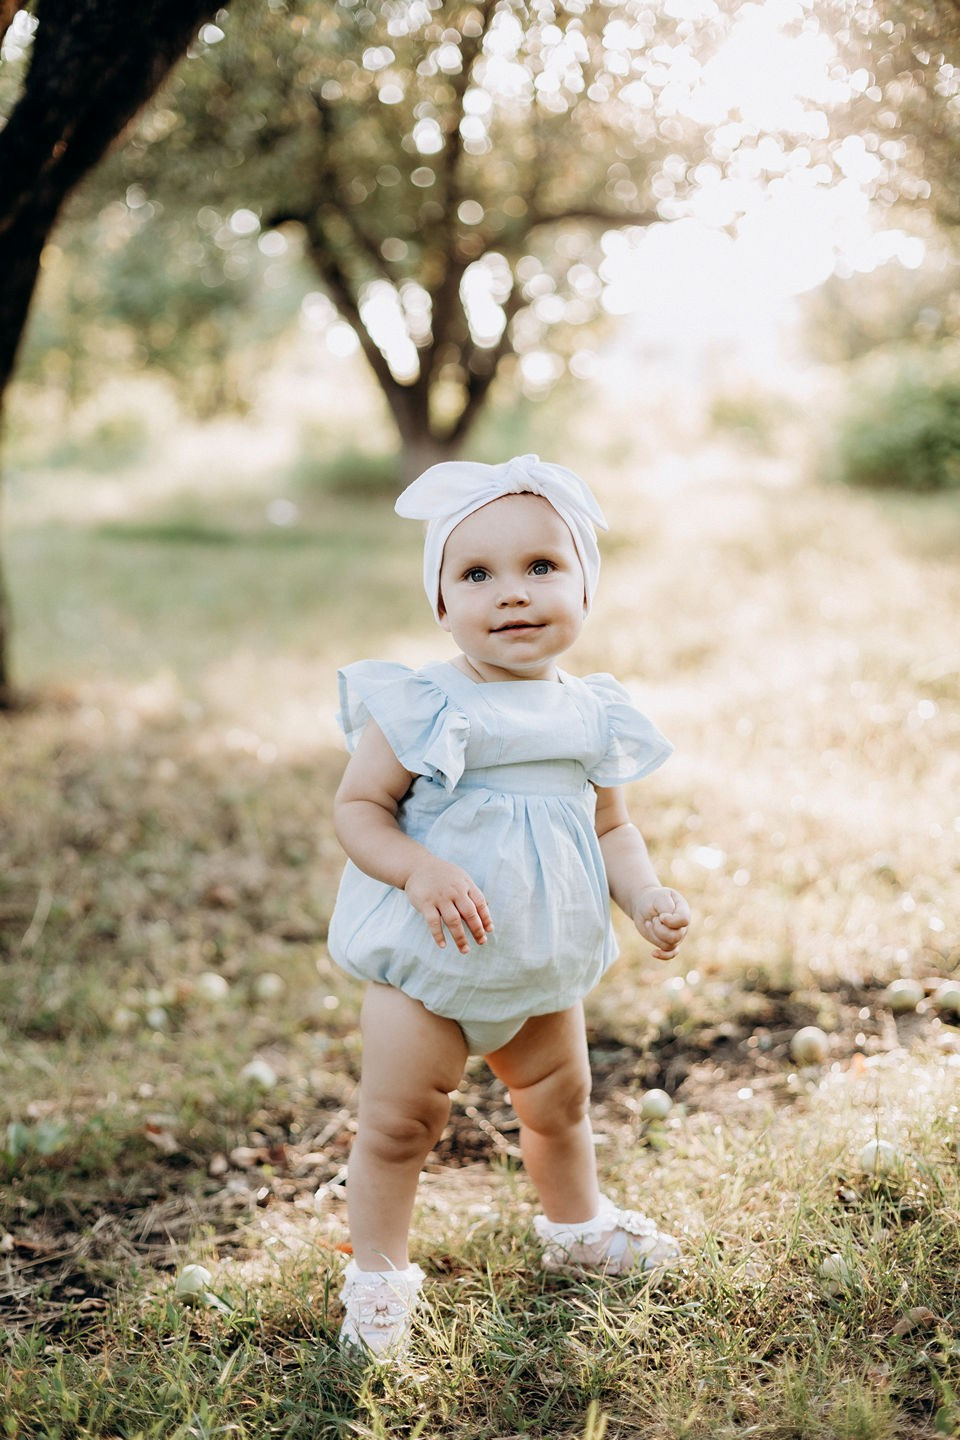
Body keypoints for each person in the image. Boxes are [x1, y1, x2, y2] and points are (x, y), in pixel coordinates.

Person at [326, 454, 691, 1359]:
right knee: (402, 1125)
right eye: (477, 573)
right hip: (430, 970)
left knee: (561, 1105)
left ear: (584, 588)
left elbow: (612, 829)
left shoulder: (592, 714)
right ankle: (377, 1278)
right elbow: (359, 809)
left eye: (541, 567)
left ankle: (578, 1230)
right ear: (442, 601)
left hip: (538, 967)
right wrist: (416, 869)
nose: (513, 593)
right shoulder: (424, 704)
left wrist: (642, 893)